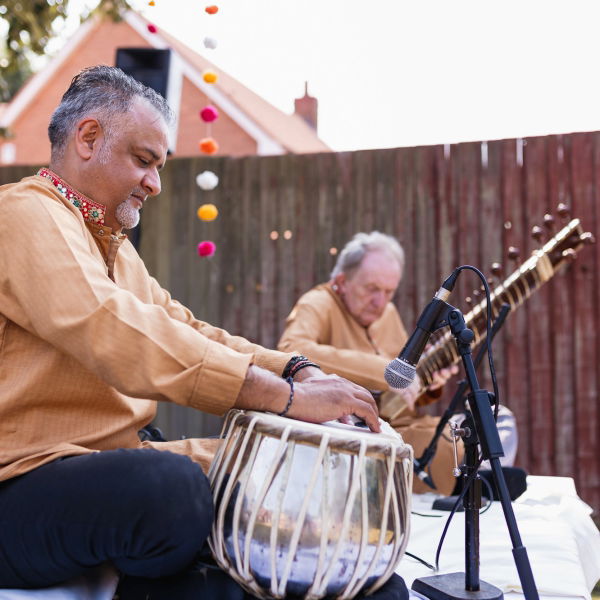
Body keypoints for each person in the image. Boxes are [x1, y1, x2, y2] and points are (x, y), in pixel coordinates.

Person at [0, 66, 391, 597]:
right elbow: (113, 327)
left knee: (273, 478)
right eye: (144, 161)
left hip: (111, 463)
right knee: (173, 492)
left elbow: (186, 327)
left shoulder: (113, 247)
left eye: (158, 167)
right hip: (20, 483)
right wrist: (284, 398)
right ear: (88, 138)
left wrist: (297, 369)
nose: (155, 184)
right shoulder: (20, 214)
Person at [278, 232, 518, 496]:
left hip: (404, 425)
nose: (380, 302)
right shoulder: (318, 303)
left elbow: (401, 390)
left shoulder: (387, 314)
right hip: (356, 432)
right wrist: (381, 370)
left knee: (496, 417)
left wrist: (428, 384)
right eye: (372, 289)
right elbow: (292, 350)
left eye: (388, 292)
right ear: (342, 281)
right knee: (467, 444)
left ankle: (476, 479)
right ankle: (475, 482)